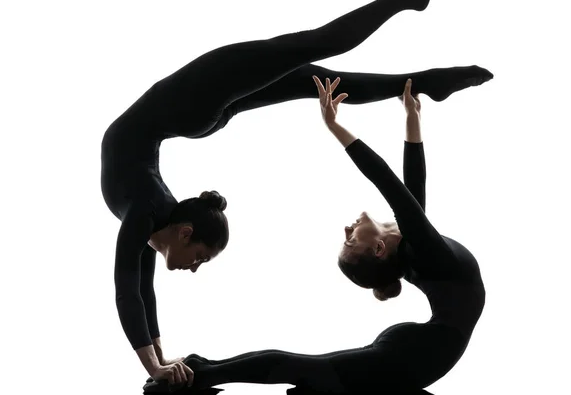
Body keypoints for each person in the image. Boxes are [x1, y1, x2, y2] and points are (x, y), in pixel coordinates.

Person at [101, 0, 493, 385]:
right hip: (192, 107)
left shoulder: (147, 213)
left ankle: (416, 42)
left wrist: (156, 362)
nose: (194, 267)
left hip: (190, 107)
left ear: (186, 231)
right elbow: (134, 289)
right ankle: (417, 46)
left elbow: (135, 289)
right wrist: (157, 359)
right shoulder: (150, 214)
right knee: (316, 61)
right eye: (201, 260)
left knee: (317, 63)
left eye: (198, 260)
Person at [142, 77, 486, 395]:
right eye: (352, 240)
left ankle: (200, 371)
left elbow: (407, 189)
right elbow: (396, 186)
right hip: (416, 356)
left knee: (308, 372)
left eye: (348, 238)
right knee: (306, 371)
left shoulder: (418, 250)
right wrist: (337, 125)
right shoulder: (422, 251)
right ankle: (198, 373)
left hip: (415, 354)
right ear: (379, 248)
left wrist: (411, 117)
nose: (348, 229)